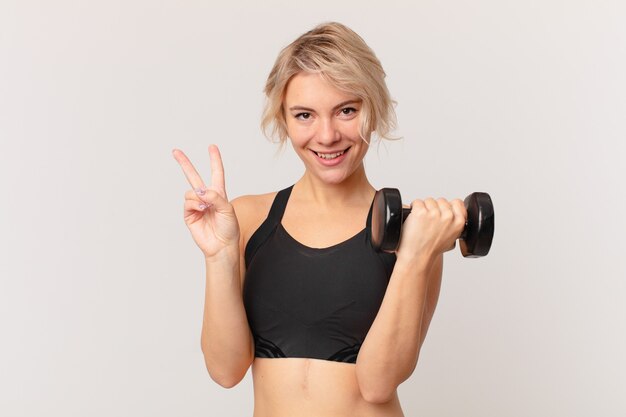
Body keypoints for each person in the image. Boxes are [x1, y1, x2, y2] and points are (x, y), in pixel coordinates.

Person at [173, 22, 467, 417]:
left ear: (374, 110)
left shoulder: (414, 233)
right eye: (305, 115)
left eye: (347, 110)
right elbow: (226, 371)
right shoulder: (248, 218)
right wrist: (220, 257)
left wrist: (415, 257)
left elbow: (379, 384)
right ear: (283, 118)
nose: (326, 135)